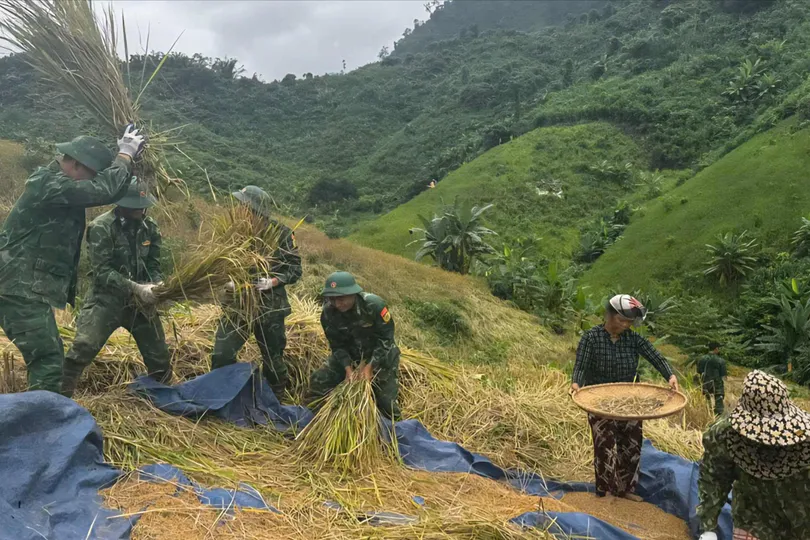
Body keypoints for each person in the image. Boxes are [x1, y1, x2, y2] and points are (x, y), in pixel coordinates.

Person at [0, 127, 145, 393]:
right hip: (17, 288)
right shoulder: (49, 184)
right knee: (47, 361)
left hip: (22, 288)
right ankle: (44, 415)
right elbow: (102, 190)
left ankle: (47, 411)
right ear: (76, 164)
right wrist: (124, 154)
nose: (92, 181)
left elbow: (109, 190)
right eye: (92, 174)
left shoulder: (60, 185)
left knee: (49, 357)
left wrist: (128, 165)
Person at [61, 178, 171, 397]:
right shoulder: (102, 227)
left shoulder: (150, 227)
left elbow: (153, 264)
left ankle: (162, 397)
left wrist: (157, 285)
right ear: (121, 204)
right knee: (83, 347)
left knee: (160, 357)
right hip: (106, 300)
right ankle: (59, 397)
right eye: (135, 206)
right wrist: (135, 287)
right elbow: (102, 272)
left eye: (142, 206)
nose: (140, 210)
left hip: (141, 303)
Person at [570, 294, 679, 500]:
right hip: (599, 400)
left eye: (629, 321)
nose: (626, 325)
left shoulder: (633, 339)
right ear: (609, 315)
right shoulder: (591, 338)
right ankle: (604, 491)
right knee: (605, 445)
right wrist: (576, 383)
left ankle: (625, 489)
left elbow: (655, 356)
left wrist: (670, 375)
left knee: (631, 444)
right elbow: (581, 366)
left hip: (629, 400)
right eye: (622, 320)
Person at [697, 370, 810, 540]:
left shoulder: (805, 439)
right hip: (752, 517)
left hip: (801, 520)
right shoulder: (724, 436)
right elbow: (714, 478)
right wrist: (708, 527)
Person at [211, 185, 302, 395]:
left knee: (273, 360)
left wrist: (273, 281)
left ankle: (275, 397)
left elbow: (295, 269)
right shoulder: (235, 231)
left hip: (269, 306)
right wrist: (228, 280)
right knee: (222, 353)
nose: (239, 209)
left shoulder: (281, 233)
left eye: (243, 205)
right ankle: (221, 394)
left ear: (255, 209)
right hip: (239, 303)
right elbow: (222, 262)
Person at [308, 271, 401, 420]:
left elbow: (386, 340)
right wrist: (348, 369)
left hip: (380, 355)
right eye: (332, 299)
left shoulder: (374, 306)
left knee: (386, 404)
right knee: (318, 379)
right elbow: (337, 346)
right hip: (351, 355)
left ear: (353, 294)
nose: (337, 304)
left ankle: (392, 429)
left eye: (341, 299)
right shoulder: (328, 313)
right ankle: (316, 419)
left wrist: (370, 366)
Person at [696, 341, 727, 416]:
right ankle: (718, 416)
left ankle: (708, 414)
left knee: (707, 400)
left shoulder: (701, 359)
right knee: (719, 401)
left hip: (705, 382)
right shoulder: (721, 360)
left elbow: (699, 371)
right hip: (717, 384)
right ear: (716, 349)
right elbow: (723, 376)